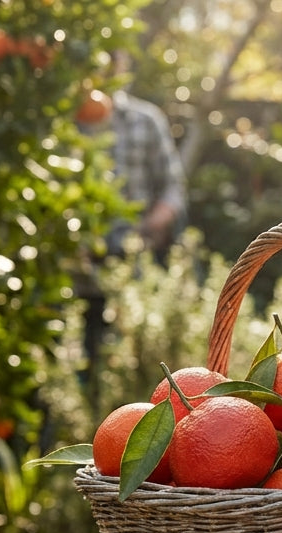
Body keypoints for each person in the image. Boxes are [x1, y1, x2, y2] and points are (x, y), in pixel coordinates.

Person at [76, 51, 188, 389]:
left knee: (130, 371)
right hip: (75, 272)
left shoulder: (145, 120)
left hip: (133, 269)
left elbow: (173, 190)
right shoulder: (63, 121)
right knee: (77, 364)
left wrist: (150, 228)